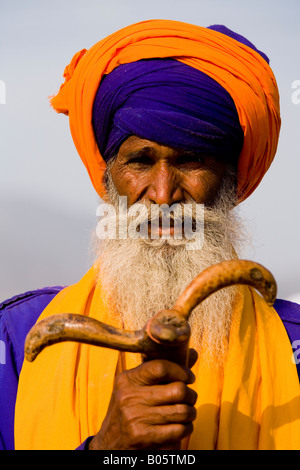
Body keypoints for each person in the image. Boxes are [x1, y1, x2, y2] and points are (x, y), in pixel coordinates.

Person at [1, 19, 300, 451]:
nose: (163, 196)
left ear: (232, 182)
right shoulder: (17, 340)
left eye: (191, 159)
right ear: (108, 179)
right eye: (140, 161)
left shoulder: (293, 349)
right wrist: (106, 448)